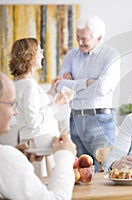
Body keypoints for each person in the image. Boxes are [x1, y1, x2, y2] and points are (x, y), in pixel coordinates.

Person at [56, 16, 120, 172]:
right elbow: (60, 86)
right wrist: (87, 82)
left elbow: (102, 88)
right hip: (75, 118)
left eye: (84, 38)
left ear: (99, 38)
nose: (79, 42)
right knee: (81, 169)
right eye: (77, 37)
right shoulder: (71, 55)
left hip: (100, 119)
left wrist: (73, 86)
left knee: (105, 168)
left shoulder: (110, 56)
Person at [0, 72, 77, 199]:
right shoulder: (5, 158)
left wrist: (14, 159)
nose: (15, 112)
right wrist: (65, 156)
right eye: (11, 104)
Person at [9, 38, 74, 177]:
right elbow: (33, 121)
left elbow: (34, 107)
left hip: (35, 144)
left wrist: (51, 91)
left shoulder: (21, 83)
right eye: (40, 51)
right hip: (39, 149)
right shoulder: (29, 85)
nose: (42, 55)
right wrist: (57, 105)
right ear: (29, 56)